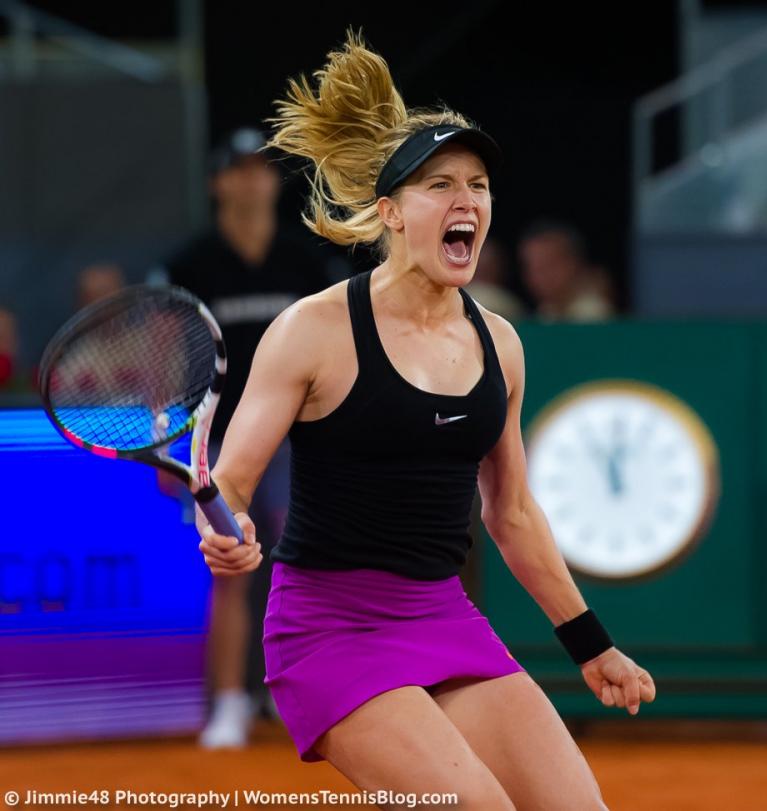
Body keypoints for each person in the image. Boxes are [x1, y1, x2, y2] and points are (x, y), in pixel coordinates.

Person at [197, 31, 654, 809]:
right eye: (440, 185)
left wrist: (592, 644)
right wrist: (223, 527)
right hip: (327, 633)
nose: (466, 200)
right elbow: (231, 482)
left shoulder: (500, 344)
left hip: (442, 617)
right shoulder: (313, 330)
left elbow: (510, 513)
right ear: (391, 214)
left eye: (477, 184)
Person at [153, 126, 338, 749]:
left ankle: (300, 700)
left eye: (263, 168)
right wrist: (167, 434)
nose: (254, 179)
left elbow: (334, 347)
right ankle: (231, 704)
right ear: (219, 183)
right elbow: (166, 351)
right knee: (229, 570)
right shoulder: (189, 263)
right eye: (239, 169)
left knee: (303, 572)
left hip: (301, 442)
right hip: (220, 442)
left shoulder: (306, 260)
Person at [518, 219, 617, 322]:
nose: (539, 276)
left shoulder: (594, 315)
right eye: (532, 267)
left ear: (574, 263)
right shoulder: (544, 313)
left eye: (549, 265)